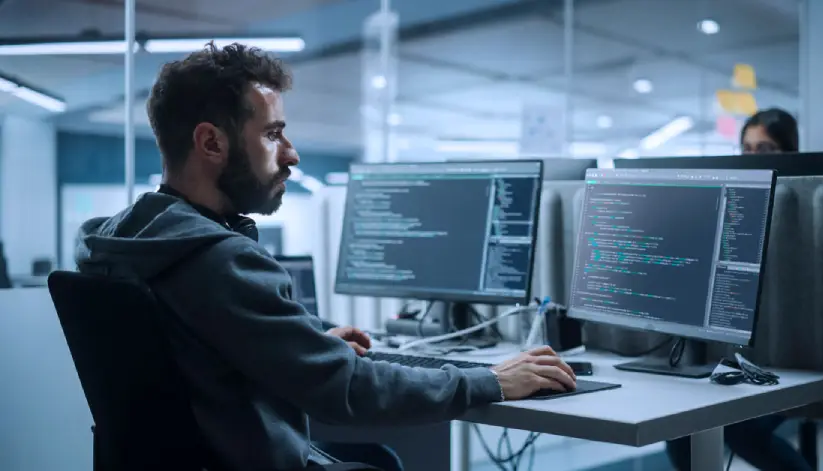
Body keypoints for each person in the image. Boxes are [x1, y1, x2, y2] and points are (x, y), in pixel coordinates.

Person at [74, 43, 577, 471]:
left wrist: (297, 345)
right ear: (211, 142)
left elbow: (193, 363)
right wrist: (489, 380)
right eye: (272, 134)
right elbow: (350, 390)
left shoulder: (113, 243)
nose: (291, 153)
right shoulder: (218, 259)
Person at [665, 107, 809, 471]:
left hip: (792, 351)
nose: (752, 157)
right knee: (681, 426)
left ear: (791, 151)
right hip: (735, 348)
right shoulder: (730, 210)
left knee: (742, 431)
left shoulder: (810, 211)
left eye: (765, 149)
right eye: (746, 148)